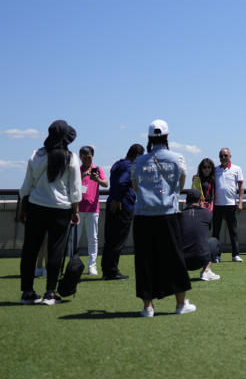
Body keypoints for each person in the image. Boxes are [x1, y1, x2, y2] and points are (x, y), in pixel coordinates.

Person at [131, 119, 194, 317]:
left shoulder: (139, 161)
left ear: (149, 138)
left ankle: (148, 306)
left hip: (143, 215)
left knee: (145, 260)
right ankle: (180, 303)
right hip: (169, 214)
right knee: (175, 258)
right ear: (167, 137)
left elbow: (135, 185)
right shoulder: (177, 159)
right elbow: (181, 184)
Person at [17, 121, 83, 305]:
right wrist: (75, 211)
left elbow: (26, 185)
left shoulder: (36, 155)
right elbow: (75, 189)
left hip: (36, 206)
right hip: (61, 209)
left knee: (30, 250)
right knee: (56, 250)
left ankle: (27, 292)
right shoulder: (71, 157)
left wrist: (24, 207)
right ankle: (50, 293)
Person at [101, 143, 144, 280]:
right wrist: (118, 199)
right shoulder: (129, 167)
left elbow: (116, 181)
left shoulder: (117, 164)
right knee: (118, 239)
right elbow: (122, 182)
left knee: (110, 239)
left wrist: (114, 198)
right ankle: (112, 271)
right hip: (122, 206)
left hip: (112, 203)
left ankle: (107, 269)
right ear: (137, 155)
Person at [77, 145, 108, 276]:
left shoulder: (97, 169)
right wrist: (82, 175)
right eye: (84, 158)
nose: (86, 161)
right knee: (74, 239)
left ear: (92, 156)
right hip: (77, 210)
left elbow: (106, 184)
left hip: (93, 210)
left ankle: (92, 265)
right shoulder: (76, 170)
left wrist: (97, 179)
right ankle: (73, 264)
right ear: (80, 157)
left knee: (93, 239)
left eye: (89, 157)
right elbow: (69, 186)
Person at [180, 189, 221, 281]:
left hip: (181, 261)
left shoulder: (179, 215)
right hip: (200, 259)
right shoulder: (207, 214)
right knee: (214, 241)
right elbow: (206, 229)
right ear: (200, 201)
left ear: (186, 201)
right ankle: (206, 271)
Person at [212, 147, 244, 262]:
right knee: (216, 231)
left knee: (233, 230)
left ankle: (235, 254)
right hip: (217, 204)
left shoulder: (237, 169)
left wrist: (240, 202)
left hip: (231, 204)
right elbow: (204, 175)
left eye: (225, 155)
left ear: (230, 156)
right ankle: (216, 255)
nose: (223, 158)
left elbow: (240, 187)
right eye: (221, 156)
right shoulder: (215, 170)